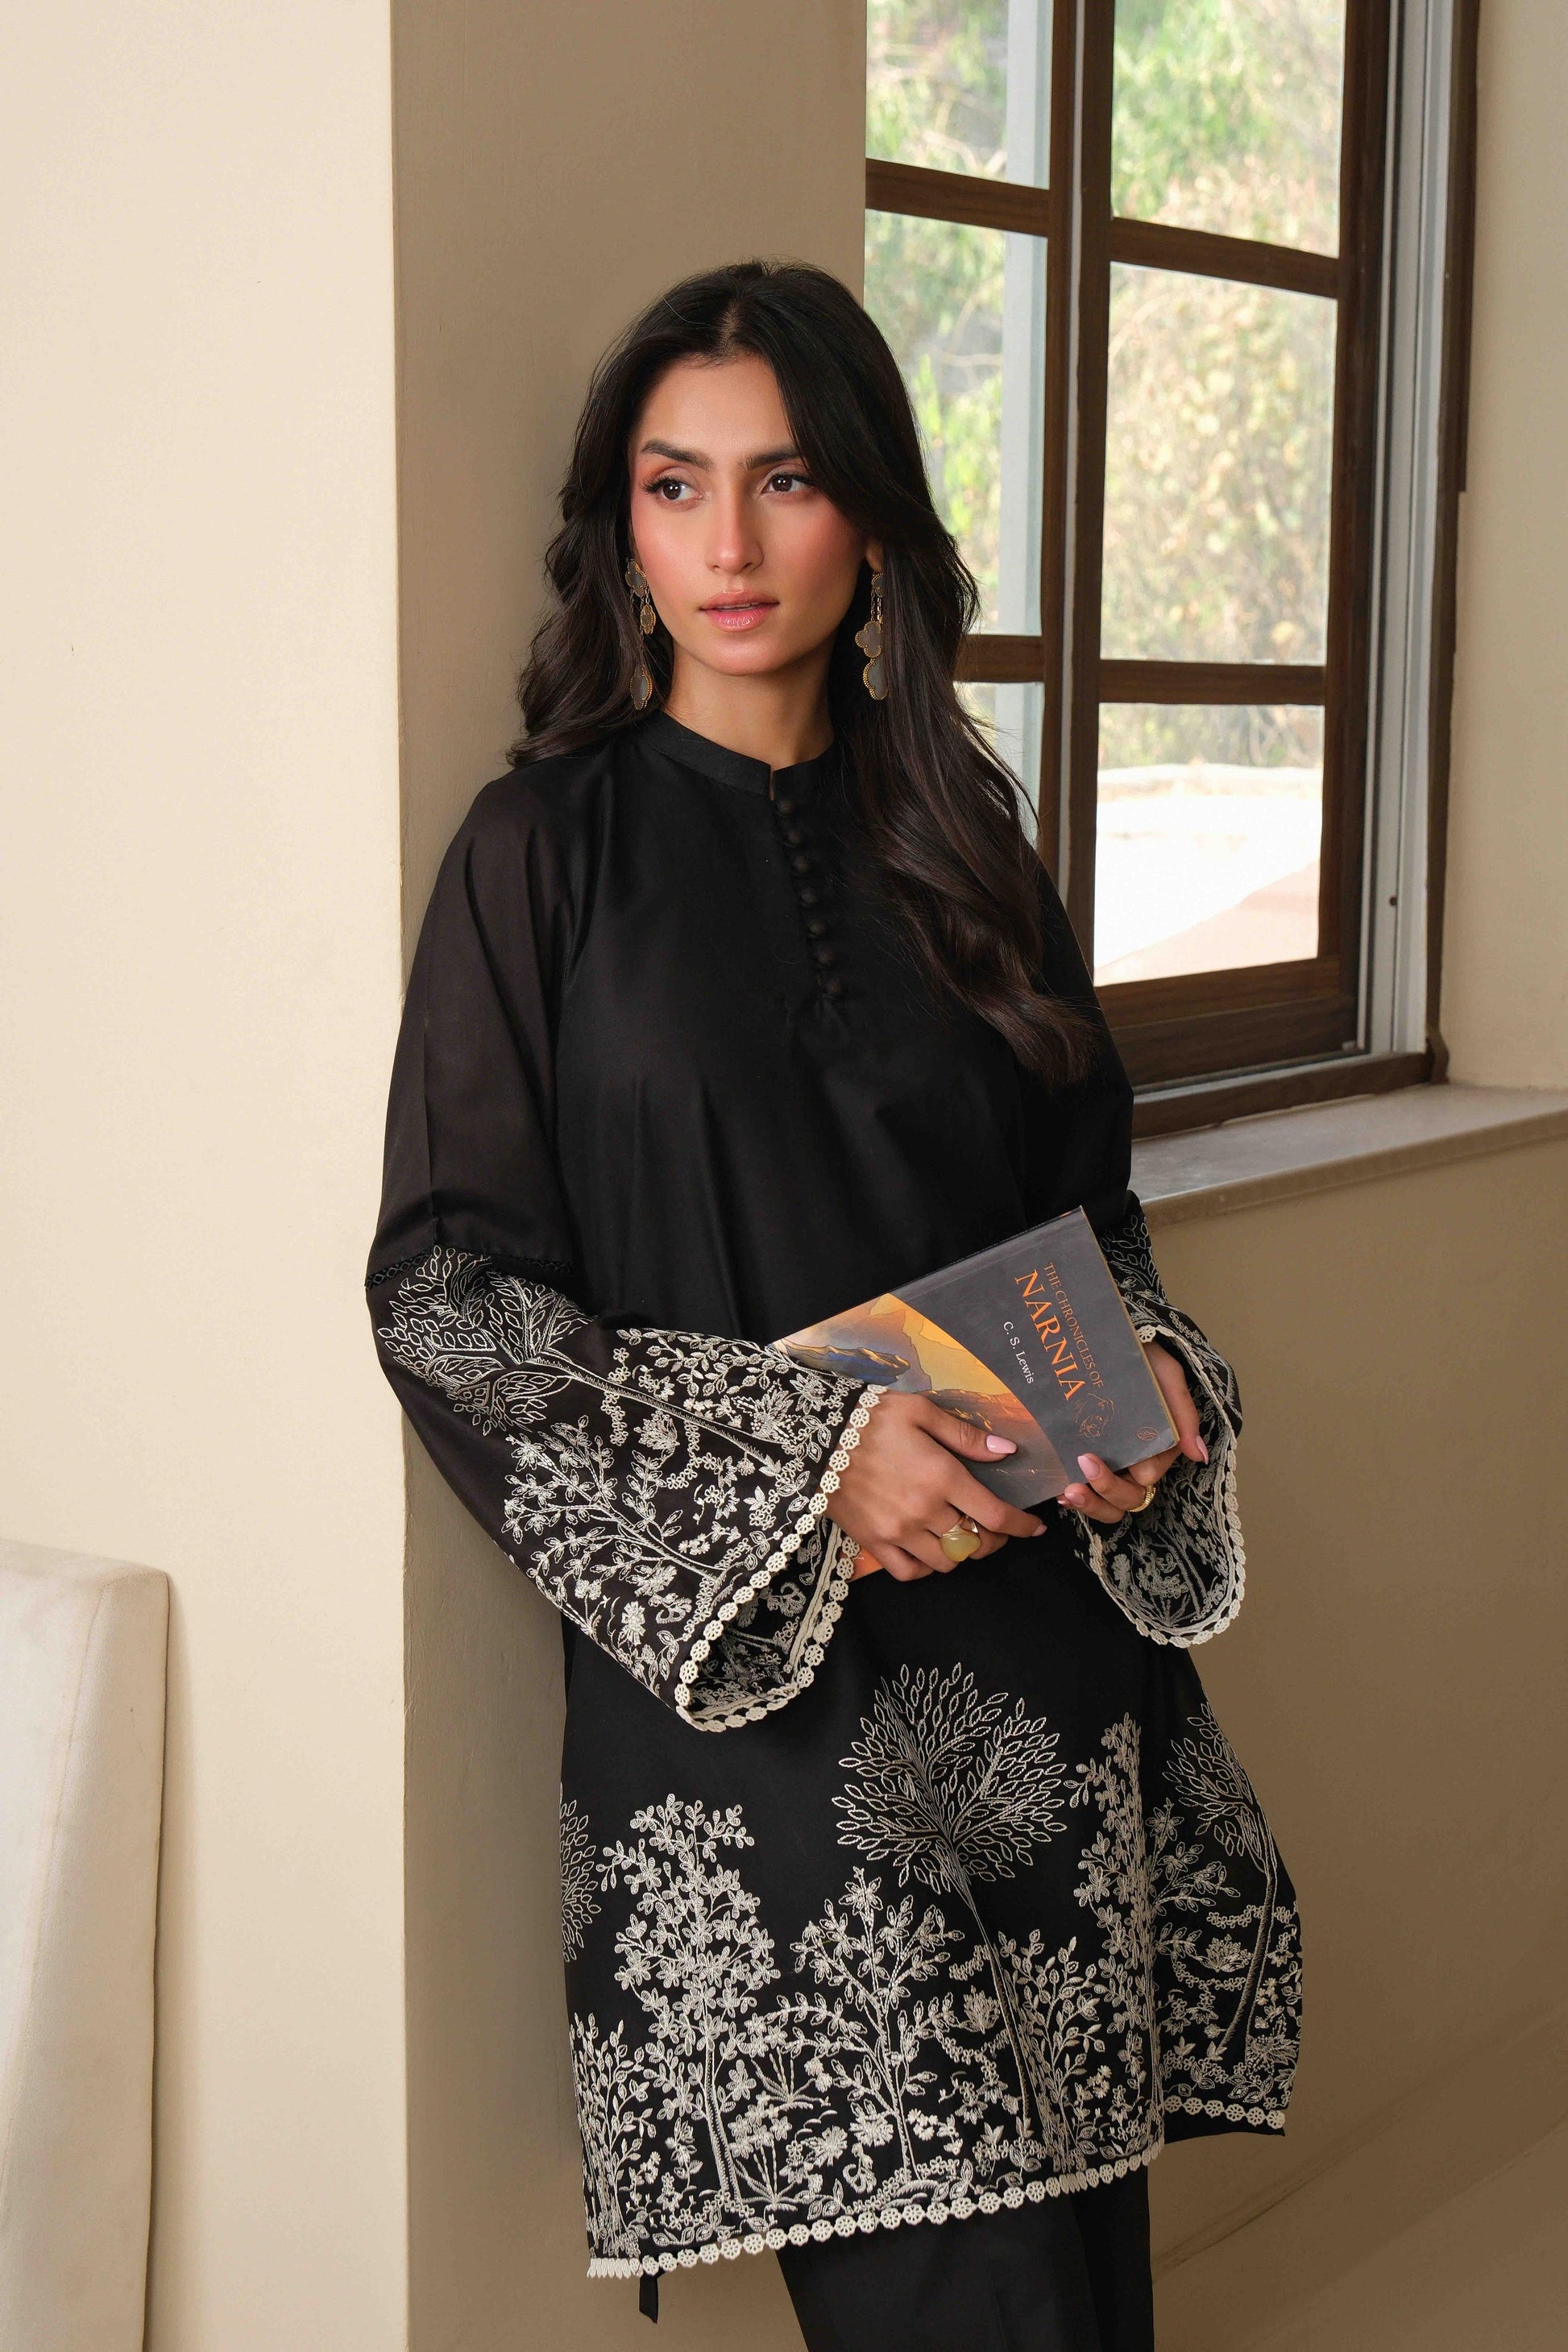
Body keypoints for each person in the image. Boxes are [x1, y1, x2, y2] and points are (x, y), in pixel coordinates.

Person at [366, 260, 1300, 2352]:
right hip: (762, 1708)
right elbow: (447, 1294)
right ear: (621, 524)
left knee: (1081, 2285)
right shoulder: (541, 855)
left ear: (867, 514)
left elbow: (1092, 1217)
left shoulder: (968, 836)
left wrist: (1150, 1383)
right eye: (672, 483)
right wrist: (808, 1457)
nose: (726, 541)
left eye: (783, 480)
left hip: (1039, 1667)